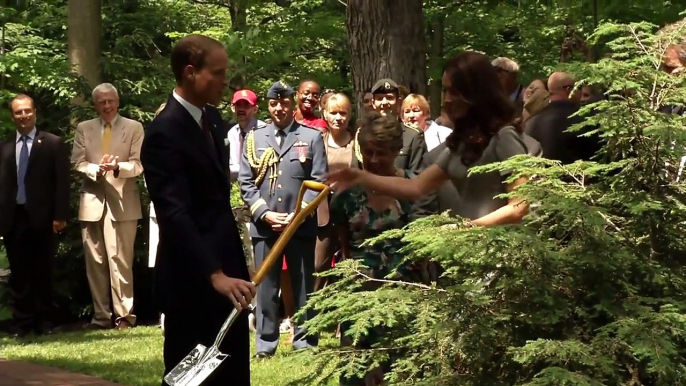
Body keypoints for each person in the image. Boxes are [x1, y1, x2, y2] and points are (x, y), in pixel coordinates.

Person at [141, 34, 255, 386]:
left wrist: (233, 270)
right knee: (191, 377)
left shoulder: (215, 120)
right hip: (191, 280)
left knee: (231, 372)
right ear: (190, 73)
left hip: (229, 277)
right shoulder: (164, 133)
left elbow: (217, 201)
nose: (225, 81)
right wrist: (214, 274)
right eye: (217, 74)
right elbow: (175, 214)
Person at [330, 52, 532, 226]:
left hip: (498, 258)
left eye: (455, 91)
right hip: (465, 256)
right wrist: (360, 177)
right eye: (445, 90)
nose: (447, 99)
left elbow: (519, 206)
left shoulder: (504, 137)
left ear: (477, 92)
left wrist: (467, 229)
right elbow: (416, 187)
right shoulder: (461, 143)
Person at [239, 81, 327, 358]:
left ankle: (305, 342)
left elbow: (319, 181)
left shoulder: (311, 137)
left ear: (293, 104)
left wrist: (298, 214)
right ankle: (265, 345)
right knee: (266, 288)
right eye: (274, 103)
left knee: (303, 285)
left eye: (285, 103)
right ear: (268, 105)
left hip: (299, 224)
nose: (279, 108)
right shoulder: (255, 138)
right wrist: (264, 213)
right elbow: (246, 182)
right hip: (265, 225)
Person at [71, 83, 144, 330]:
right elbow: (77, 162)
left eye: (110, 101)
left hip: (123, 201)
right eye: (101, 102)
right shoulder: (84, 129)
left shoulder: (134, 127)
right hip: (92, 201)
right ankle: (101, 316)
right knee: (95, 262)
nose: (107, 106)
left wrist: (116, 168)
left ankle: (125, 316)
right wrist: (95, 170)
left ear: (118, 101)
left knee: (121, 260)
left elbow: (138, 164)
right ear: (95, 105)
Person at [0, 94, 70, 337]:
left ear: (35, 113)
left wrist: (60, 215)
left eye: (27, 111)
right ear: (12, 116)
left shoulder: (52, 143)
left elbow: (62, 182)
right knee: (19, 274)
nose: (24, 116)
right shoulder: (5, 146)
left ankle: (44, 323)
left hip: (44, 217)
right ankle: (22, 324)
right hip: (13, 218)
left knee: (43, 270)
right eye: (18, 112)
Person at [352, 78, 428, 174]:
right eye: (379, 98)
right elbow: (355, 170)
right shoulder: (363, 133)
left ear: (398, 102)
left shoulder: (413, 136)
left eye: (389, 98)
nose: (384, 103)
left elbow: (418, 175)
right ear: (373, 103)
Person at [227, 89, 266, 182]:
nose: (241, 109)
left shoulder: (264, 131)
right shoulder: (232, 133)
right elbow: (233, 164)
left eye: (246, 106)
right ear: (233, 108)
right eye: (238, 105)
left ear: (255, 109)